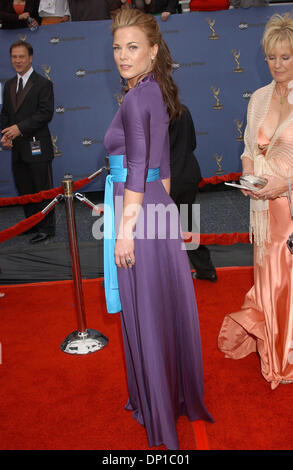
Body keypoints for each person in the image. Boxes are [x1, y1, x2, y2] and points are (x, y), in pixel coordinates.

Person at [103, 8, 213, 450]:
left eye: (133, 47)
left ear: (152, 51)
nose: (123, 55)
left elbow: (134, 167)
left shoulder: (134, 99)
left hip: (137, 217)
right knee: (159, 309)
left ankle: (160, 416)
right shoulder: (156, 92)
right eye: (117, 47)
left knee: (146, 313)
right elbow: (160, 171)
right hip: (156, 211)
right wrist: (156, 213)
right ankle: (169, 399)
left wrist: (126, 230)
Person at [218, 13, 293, 389]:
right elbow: (249, 145)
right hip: (262, 210)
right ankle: (275, 348)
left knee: (286, 284)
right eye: (271, 57)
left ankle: (285, 355)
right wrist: (248, 177)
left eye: (286, 57)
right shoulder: (260, 97)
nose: (278, 65)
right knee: (268, 279)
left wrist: (285, 183)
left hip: (290, 209)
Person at [1, 41, 55, 244]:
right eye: (14, 56)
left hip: (37, 146)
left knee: (42, 189)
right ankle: (31, 224)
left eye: (21, 56)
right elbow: (5, 113)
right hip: (17, 148)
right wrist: (6, 134)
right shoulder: (8, 85)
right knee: (25, 189)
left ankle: (47, 228)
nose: (17, 60)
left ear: (30, 58)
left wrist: (19, 129)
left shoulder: (43, 84)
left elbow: (45, 114)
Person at [169, 104, 217, 282]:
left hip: (167, 178)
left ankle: (169, 277)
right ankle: (206, 270)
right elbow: (192, 143)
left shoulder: (153, 111)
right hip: (188, 173)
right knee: (188, 225)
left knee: (159, 229)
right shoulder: (183, 109)